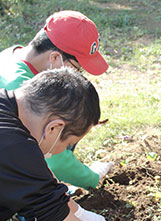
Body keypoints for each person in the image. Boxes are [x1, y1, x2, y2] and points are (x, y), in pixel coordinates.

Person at [0, 68, 153, 221]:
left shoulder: (7, 110)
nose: (62, 150)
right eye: (68, 144)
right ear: (54, 127)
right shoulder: (15, 148)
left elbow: (40, 183)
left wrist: (78, 211)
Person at [0, 10, 113, 191]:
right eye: (77, 68)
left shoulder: (12, 54)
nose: (77, 75)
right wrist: (92, 177)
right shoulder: (21, 89)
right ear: (55, 57)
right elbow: (54, 158)